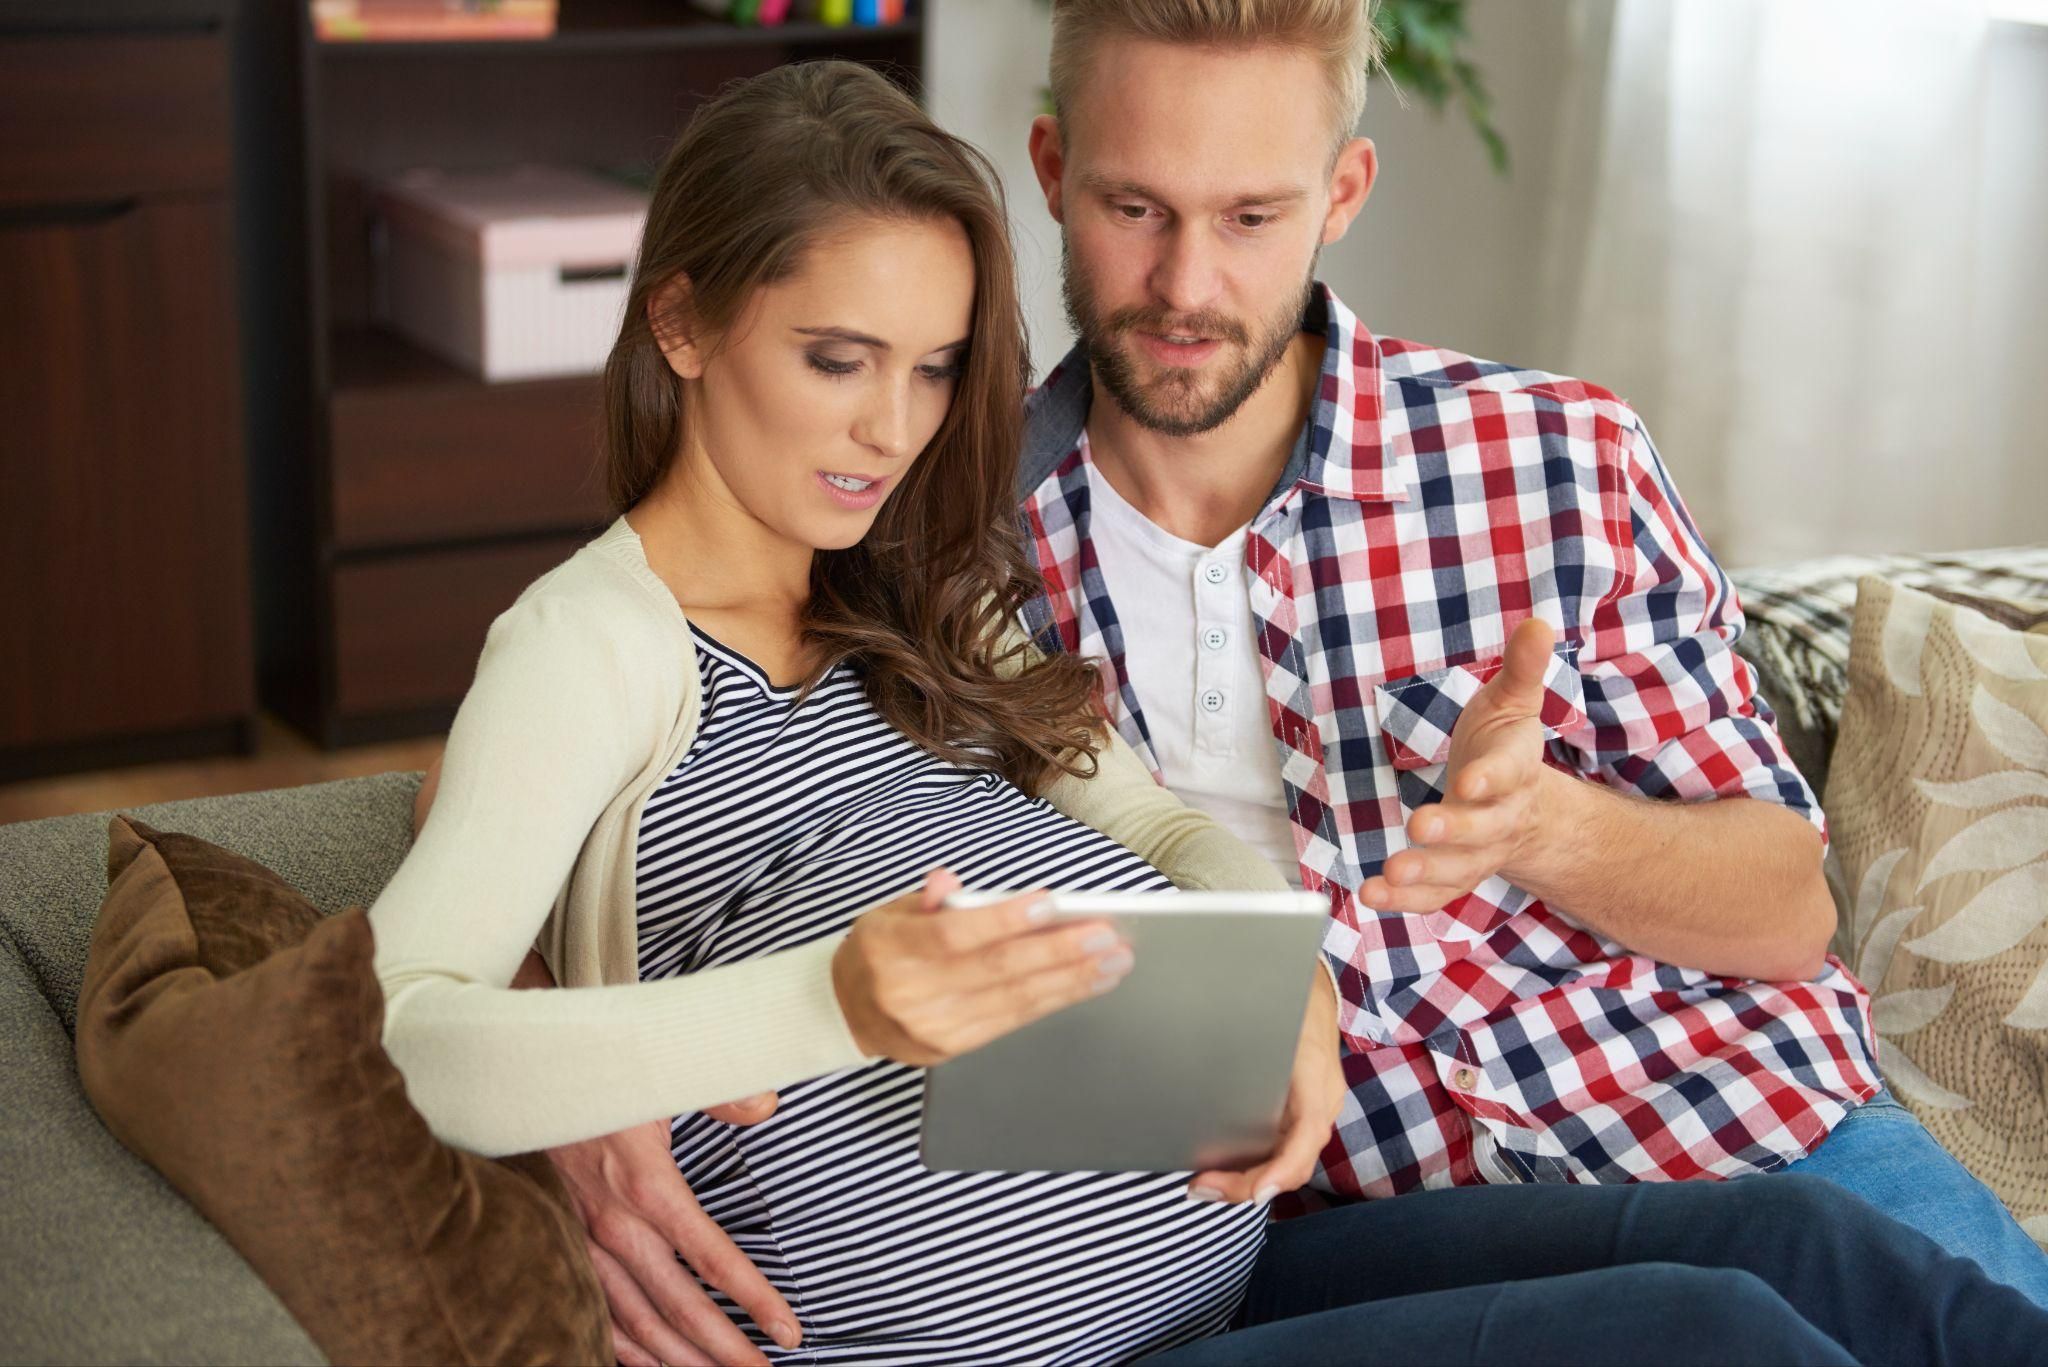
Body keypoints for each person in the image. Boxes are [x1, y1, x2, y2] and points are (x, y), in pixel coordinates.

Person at [380, 49, 2048, 1367]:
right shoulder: (788, 584)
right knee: (1722, 1336)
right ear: (679, 319)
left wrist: (1317, 969)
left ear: (1340, 195)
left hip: (1444, 1185)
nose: (886, 425)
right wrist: (788, 1021)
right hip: (1102, 1305)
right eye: (837, 358)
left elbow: (1154, 818)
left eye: (936, 365)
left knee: (1810, 1258)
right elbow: (438, 971)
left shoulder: (925, 590)